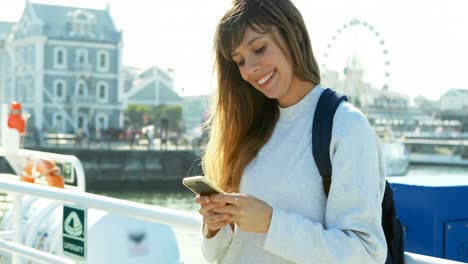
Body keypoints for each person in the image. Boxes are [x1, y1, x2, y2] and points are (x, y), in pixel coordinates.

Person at [194, 0, 388, 263]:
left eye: (259, 49)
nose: (250, 69)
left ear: (294, 34)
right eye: (239, 61)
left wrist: (271, 223)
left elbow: (366, 254)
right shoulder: (250, 128)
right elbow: (220, 256)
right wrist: (214, 226)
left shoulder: (346, 127)